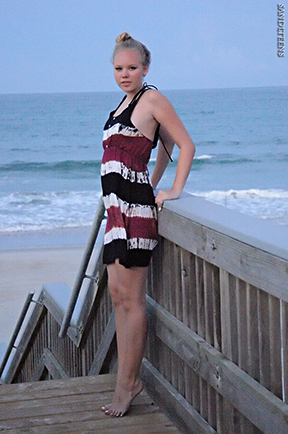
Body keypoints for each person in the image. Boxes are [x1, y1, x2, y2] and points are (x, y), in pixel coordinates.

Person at [101, 32, 195, 417]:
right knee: (117, 295)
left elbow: (184, 144)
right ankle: (125, 378)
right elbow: (158, 149)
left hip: (135, 213)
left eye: (132, 68)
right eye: (119, 68)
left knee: (132, 301)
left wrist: (170, 189)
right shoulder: (124, 102)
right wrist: (153, 179)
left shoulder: (151, 98)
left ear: (146, 68)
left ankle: (128, 384)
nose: (125, 74)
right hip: (115, 212)